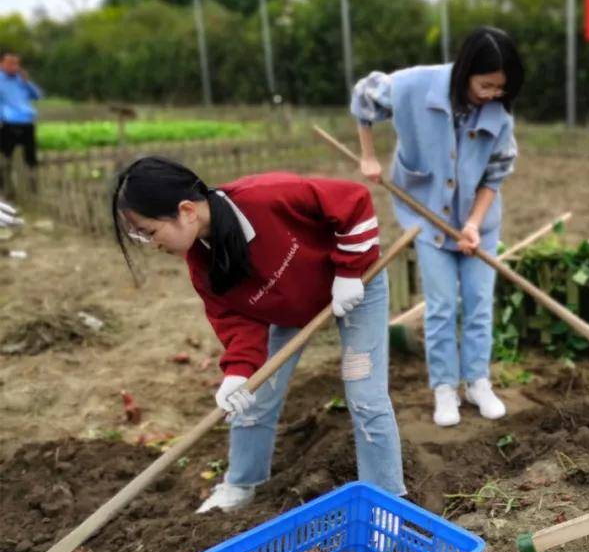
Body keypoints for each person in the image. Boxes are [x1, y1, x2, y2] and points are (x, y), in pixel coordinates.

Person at [111, 157, 406, 513]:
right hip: (289, 309)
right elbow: (236, 320)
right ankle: (241, 484)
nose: (151, 243)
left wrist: (348, 271)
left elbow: (353, 199)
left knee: (364, 394)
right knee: (252, 396)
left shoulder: (265, 197)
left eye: (149, 231)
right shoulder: (203, 266)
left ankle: (386, 500)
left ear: (186, 210)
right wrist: (238, 372)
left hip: (357, 286)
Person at [351, 27, 523, 427]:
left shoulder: (499, 116)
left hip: (478, 223)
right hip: (426, 218)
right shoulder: (414, 85)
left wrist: (475, 225)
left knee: (479, 304)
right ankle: (445, 389)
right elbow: (364, 96)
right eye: (487, 85)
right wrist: (368, 157)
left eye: (502, 88)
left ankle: (477, 382)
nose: (494, 94)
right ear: (466, 71)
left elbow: (493, 178)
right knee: (443, 306)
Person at [0, 52, 43, 182]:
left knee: (30, 155)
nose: (15, 67)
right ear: (2, 64)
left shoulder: (21, 80)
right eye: (11, 63)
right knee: (6, 155)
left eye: (16, 64)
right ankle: (5, 185)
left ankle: (31, 182)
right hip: (7, 122)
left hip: (25, 121)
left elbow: (38, 95)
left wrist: (27, 82)